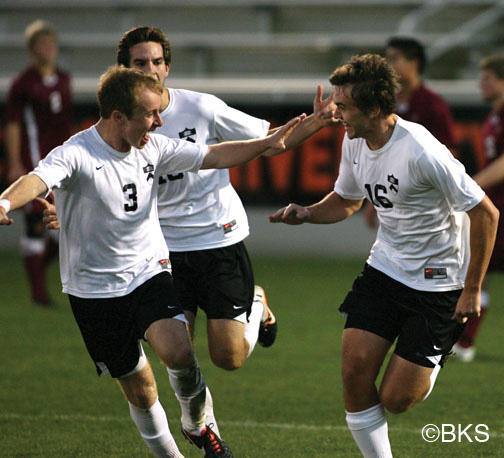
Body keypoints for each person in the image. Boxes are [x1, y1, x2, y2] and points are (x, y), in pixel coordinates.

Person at [0, 66, 304, 457]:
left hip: (148, 271)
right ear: (117, 117)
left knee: (178, 349)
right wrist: (6, 200)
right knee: (141, 391)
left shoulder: (153, 146)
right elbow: (36, 180)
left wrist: (263, 143)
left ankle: (197, 424)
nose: (160, 122)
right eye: (150, 114)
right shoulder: (77, 152)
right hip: (93, 289)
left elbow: (212, 154)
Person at [43, 27, 337, 380]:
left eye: (156, 61)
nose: (150, 69)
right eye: (140, 63)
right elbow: (108, 180)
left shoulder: (201, 107)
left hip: (217, 238)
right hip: (162, 251)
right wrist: (71, 209)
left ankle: (256, 304)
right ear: (124, 70)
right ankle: (198, 424)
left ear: (167, 67)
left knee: (228, 357)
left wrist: (318, 121)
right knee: (176, 350)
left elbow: (271, 142)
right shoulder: (119, 125)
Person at [269, 54, 498, 457]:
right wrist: (306, 213)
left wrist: (472, 289)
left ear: (374, 109)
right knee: (354, 370)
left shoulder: (422, 151)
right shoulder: (354, 140)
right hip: (385, 269)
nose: (335, 114)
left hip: (439, 282)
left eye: (343, 107)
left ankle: (433, 358)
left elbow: (486, 213)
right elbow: (347, 200)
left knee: (396, 398)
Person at [5, 19, 73, 306]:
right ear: (33, 50)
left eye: (51, 43)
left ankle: (38, 278)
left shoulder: (63, 79)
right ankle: (38, 295)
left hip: (61, 159)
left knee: (64, 224)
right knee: (35, 222)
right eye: (42, 45)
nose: (49, 49)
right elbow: (13, 124)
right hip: (34, 160)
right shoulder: (23, 84)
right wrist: (15, 161)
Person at [364, 36, 457, 229]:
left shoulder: (433, 105)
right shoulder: (388, 104)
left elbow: (449, 153)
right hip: (394, 194)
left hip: (423, 199)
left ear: (414, 62)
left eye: (394, 59)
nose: (388, 66)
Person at [452, 54, 504, 362]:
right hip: (495, 206)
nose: (480, 84)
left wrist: (472, 184)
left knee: (477, 269)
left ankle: (464, 341)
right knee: (477, 270)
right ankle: (464, 341)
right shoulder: (494, 116)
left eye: (486, 78)